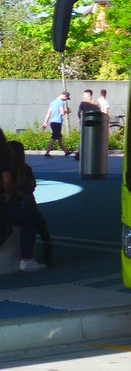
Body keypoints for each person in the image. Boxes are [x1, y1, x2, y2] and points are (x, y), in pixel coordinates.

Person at [0, 129, 47, 272]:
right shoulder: (16, 167)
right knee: (31, 217)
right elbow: (9, 183)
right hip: (11, 208)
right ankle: (28, 258)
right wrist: (15, 193)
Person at [41, 91, 70, 158]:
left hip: (52, 122)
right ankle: (47, 153)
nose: (66, 100)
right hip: (57, 122)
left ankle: (66, 152)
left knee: (59, 138)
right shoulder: (61, 102)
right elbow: (62, 112)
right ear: (64, 96)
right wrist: (67, 111)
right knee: (54, 138)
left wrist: (45, 122)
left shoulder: (52, 102)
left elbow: (49, 112)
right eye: (66, 98)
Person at [77, 89, 101, 161]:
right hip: (94, 123)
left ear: (88, 95)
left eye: (84, 94)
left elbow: (78, 113)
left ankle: (79, 153)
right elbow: (100, 112)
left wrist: (81, 119)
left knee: (83, 138)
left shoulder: (83, 102)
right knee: (93, 138)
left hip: (85, 122)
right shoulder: (96, 102)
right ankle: (93, 154)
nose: (83, 96)